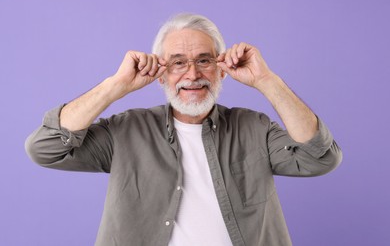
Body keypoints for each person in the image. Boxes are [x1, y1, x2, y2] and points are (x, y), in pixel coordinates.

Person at [25, 13, 342, 246]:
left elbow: (320, 157)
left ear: (221, 70)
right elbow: (46, 147)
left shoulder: (254, 127)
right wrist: (114, 86)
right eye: (177, 62)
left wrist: (266, 81)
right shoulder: (125, 131)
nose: (193, 74)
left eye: (204, 60)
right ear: (160, 74)